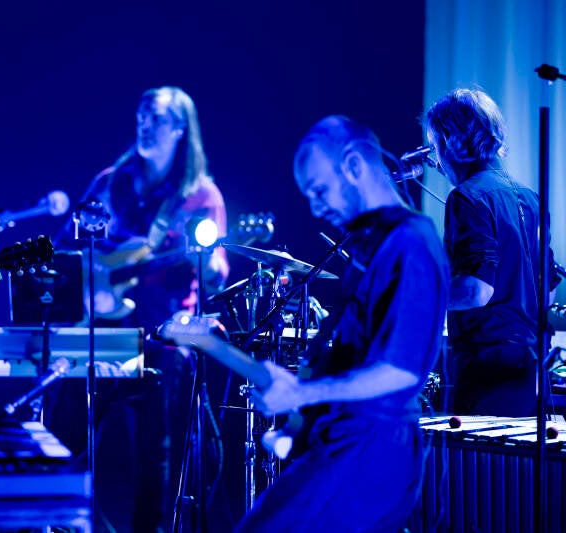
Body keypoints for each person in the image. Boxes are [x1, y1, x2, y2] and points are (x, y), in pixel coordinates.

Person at [164, 115, 448, 531]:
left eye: (319, 189)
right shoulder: (372, 247)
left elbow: (399, 371)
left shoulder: (410, 243)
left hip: (370, 451)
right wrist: (299, 413)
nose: (315, 207)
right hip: (345, 443)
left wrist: (304, 391)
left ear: (354, 165)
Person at [53, 86, 229, 531]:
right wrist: (93, 274)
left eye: (157, 119)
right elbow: (65, 245)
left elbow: (217, 272)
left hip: (164, 338)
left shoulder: (201, 196)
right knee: (63, 439)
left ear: (180, 128)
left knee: (156, 458)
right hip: (103, 333)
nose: (145, 126)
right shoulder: (111, 182)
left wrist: (209, 266)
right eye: (142, 117)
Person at [423, 88, 560, 416]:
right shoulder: (531, 197)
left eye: (436, 145)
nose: (437, 160)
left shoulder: (467, 197)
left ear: (450, 142)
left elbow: (476, 290)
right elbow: (548, 291)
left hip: (486, 369)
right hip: (530, 367)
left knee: (472, 451)